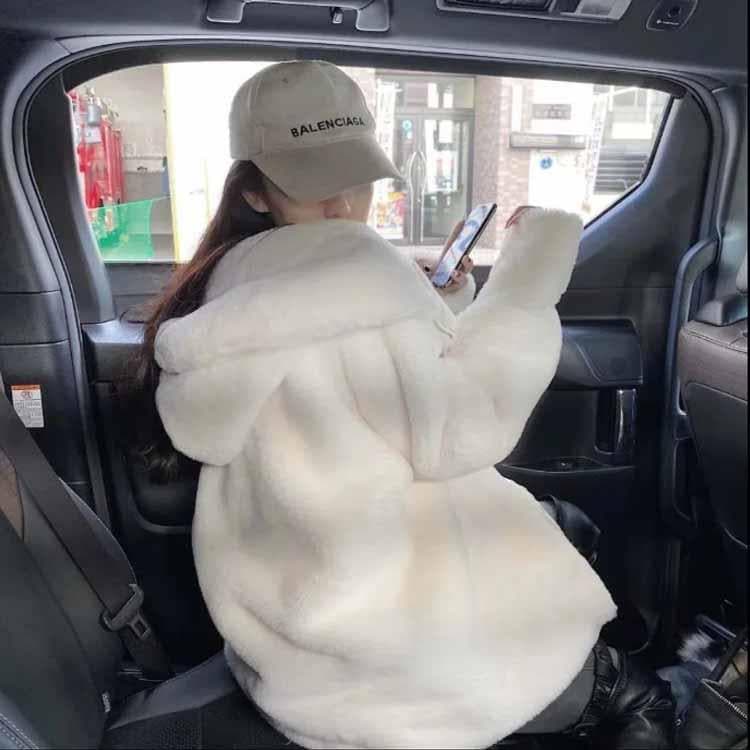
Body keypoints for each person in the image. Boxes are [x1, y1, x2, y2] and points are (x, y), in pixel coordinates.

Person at [128, 61, 674, 749]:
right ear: (256, 192)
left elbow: (347, 371)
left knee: (558, 530)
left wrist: (436, 308)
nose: (341, 205)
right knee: (639, 693)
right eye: (313, 184)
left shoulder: (226, 279)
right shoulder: (360, 269)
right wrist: (527, 284)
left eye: (354, 178)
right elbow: (466, 430)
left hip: (293, 623)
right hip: (396, 633)